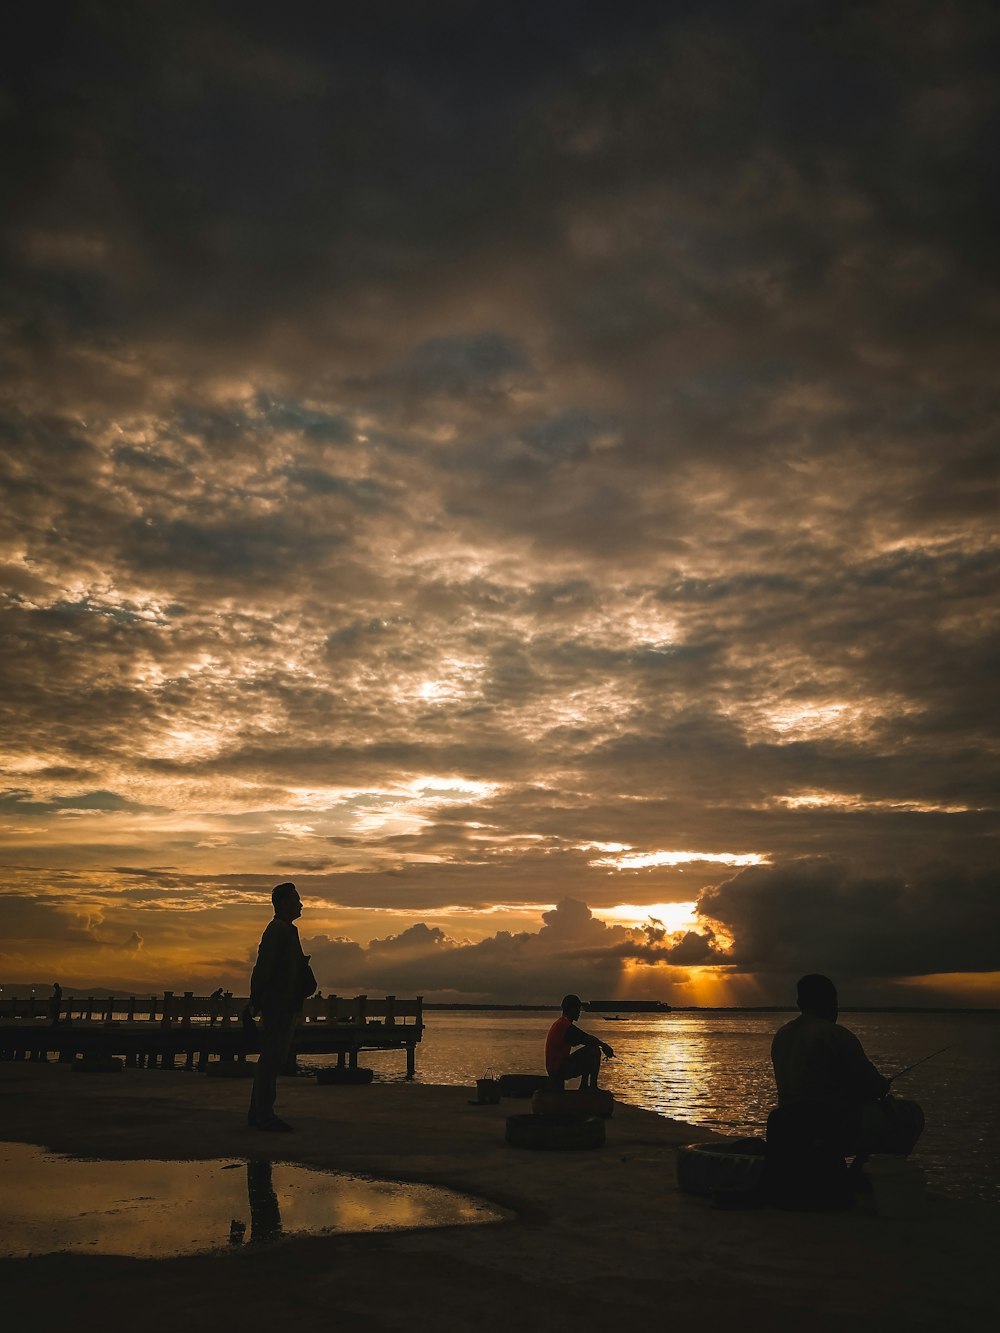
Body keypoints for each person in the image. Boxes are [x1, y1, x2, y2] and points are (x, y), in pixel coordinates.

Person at [768, 974, 923, 1203]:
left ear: (800, 1005)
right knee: (910, 1114)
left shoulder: (782, 1035)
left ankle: (849, 1176)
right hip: (829, 1126)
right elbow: (872, 1086)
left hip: (790, 1125)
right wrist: (880, 1086)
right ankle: (861, 1177)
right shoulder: (835, 1034)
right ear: (832, 1002)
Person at [246, 882, 317, 1131]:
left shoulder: (286, 930)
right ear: (284, 902)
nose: (300, 904)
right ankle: (263, 1115)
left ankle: (259, 1113)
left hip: (284, 1003)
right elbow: (264, 967)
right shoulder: (278, 930)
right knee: (272, 1060)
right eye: (296, 899)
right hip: (278, 1004)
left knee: (273, 1059)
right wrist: (256, 1000)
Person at [545, 994, 614, 1091]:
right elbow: (586, 1038)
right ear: (570, 1009)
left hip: (556, 1067)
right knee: (594, 1051)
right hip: (558, 1069)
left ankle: (584, 1086)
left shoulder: (562, 1024)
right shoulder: (564, 1026)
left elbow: (584, 1038)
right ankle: (592, 1087)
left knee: (590, 1049)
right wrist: (604, 1046)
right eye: (577, 1008)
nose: (579, 1012)